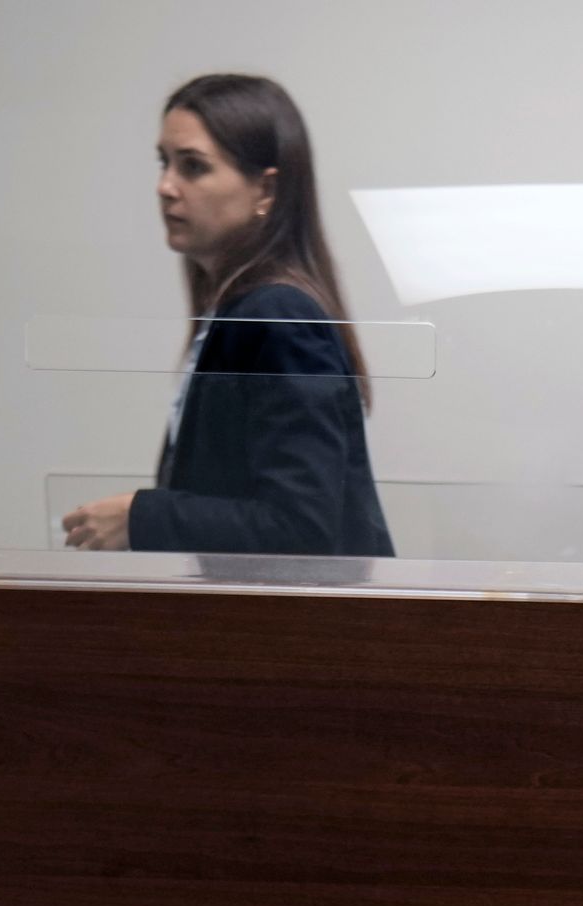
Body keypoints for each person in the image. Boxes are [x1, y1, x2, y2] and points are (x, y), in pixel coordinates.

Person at [59, 73, 393, 559]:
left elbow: (299, 525)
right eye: (164, 163)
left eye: (193, 167)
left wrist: (141, 517)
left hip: (302, 629)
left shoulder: (277, 314)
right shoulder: (239, 310)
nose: (165, 187)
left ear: (266, 191)